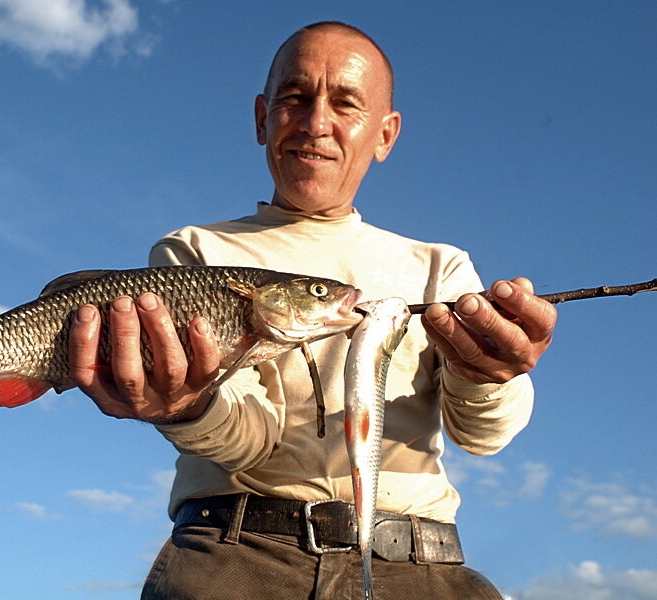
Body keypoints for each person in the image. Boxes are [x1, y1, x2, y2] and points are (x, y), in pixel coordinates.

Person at [68, 21, 558, 600]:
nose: (315, 123)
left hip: (420, 562)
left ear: (385, 134)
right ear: (261, 118)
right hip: (238, 557)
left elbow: (483, 434)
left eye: (346, 103)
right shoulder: (196, 253)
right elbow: (248, 440)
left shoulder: (441, 265)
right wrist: (187, 407)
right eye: (294, 99)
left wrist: (489, 375)